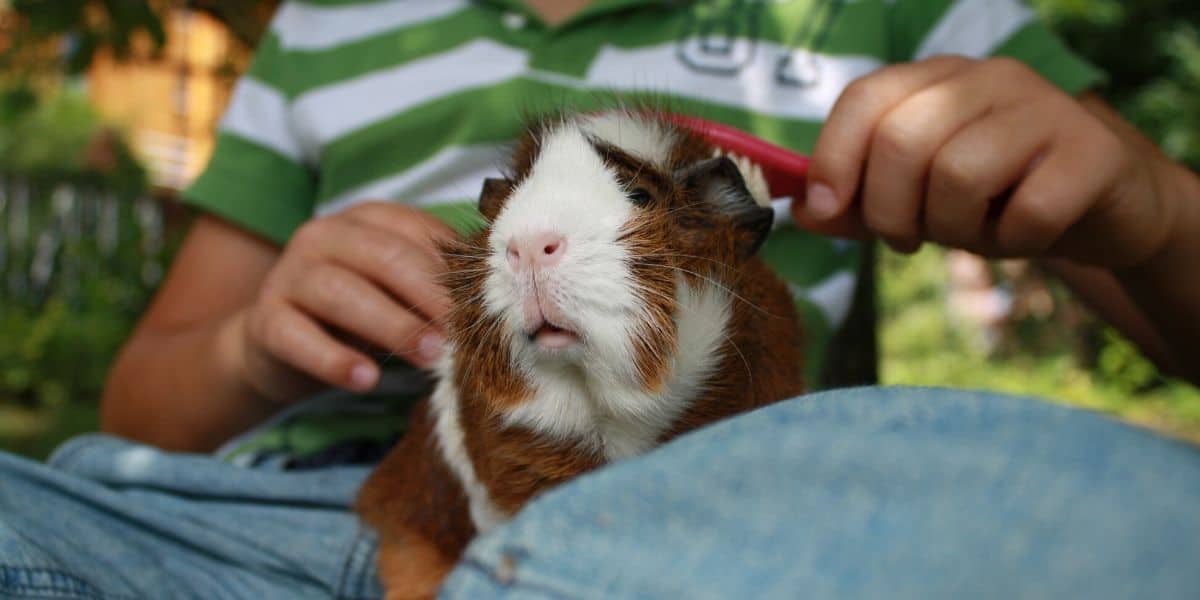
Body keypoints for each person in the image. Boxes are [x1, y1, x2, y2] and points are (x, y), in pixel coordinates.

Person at [2, 1, 1198, 598]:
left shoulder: (898, 13)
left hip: (713, 526)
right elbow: (139, 419)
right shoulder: (329, 22)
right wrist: (257, 349)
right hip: (265, 530)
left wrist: (1148, 204)